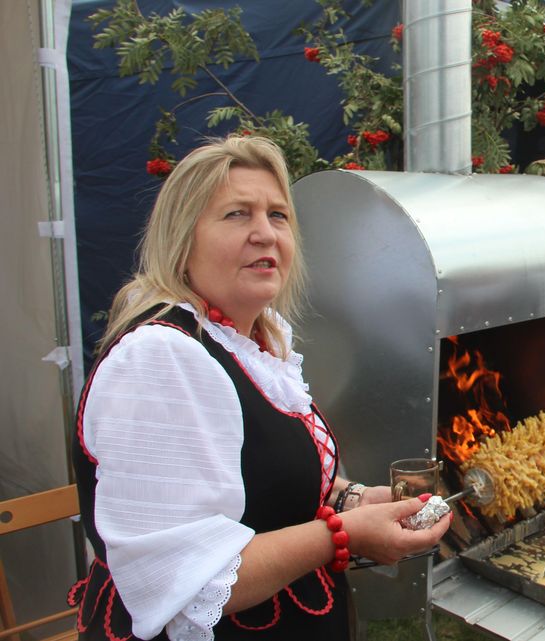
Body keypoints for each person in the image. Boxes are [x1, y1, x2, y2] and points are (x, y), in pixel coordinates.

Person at [68, 136, 450, 641]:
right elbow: (186, 582)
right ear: (182, 240)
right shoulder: (161, 358)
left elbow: (266, 477)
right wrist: (341, 536)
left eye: (278, 216)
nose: (265, 234)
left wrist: (355, 499)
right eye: (236, 215)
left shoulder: (256, 339)